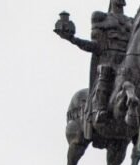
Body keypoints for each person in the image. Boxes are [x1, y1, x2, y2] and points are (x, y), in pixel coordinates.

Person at [54, 1, 133, 132]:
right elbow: (95, 46)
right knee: (105, 71)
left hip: (126, 65)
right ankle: (99, 110)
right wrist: (72, 39)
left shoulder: (131, 21)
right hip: (108, 62)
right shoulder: (100, 17)